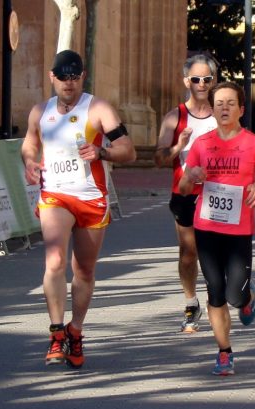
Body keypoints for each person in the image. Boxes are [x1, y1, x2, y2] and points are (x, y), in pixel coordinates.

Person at [21, 50, 136, 368]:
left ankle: (76, 330)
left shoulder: (97, 109)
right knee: (55, 260)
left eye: (74, 76)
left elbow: (128, 150)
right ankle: (57, 333)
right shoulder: (40, 111)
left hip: (90, 197)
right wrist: (30, 161)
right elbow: (30, 142)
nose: (68, 82)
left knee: (84, 271)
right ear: (51, 77)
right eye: (62, 76)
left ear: (82, 76)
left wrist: (102, 152)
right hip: (55, 195)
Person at [179, 81, 255, 375]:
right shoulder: (202, 144)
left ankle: (247, 298)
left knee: (235, 295)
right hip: (207, 227)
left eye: (230, 103)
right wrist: (193, 176)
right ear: (212, 109)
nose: (224, 108)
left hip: (239, 230)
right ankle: (224, 352)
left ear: (241, 109)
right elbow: (184, 188)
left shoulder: (254, 144)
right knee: (215, 292)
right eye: (219, 103)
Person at [155, 54, 218, 333]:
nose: (201, 84)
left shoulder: (223, 113)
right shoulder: (175, 116)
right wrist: (178, 145)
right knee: (188, 253)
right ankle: (192, 303)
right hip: (184, 192)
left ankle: (220, 298)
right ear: (186, 81)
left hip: (218, 193)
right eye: (196, 79)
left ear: (213, 81)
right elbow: (158, 158)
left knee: (216, 253)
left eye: (206, 79)